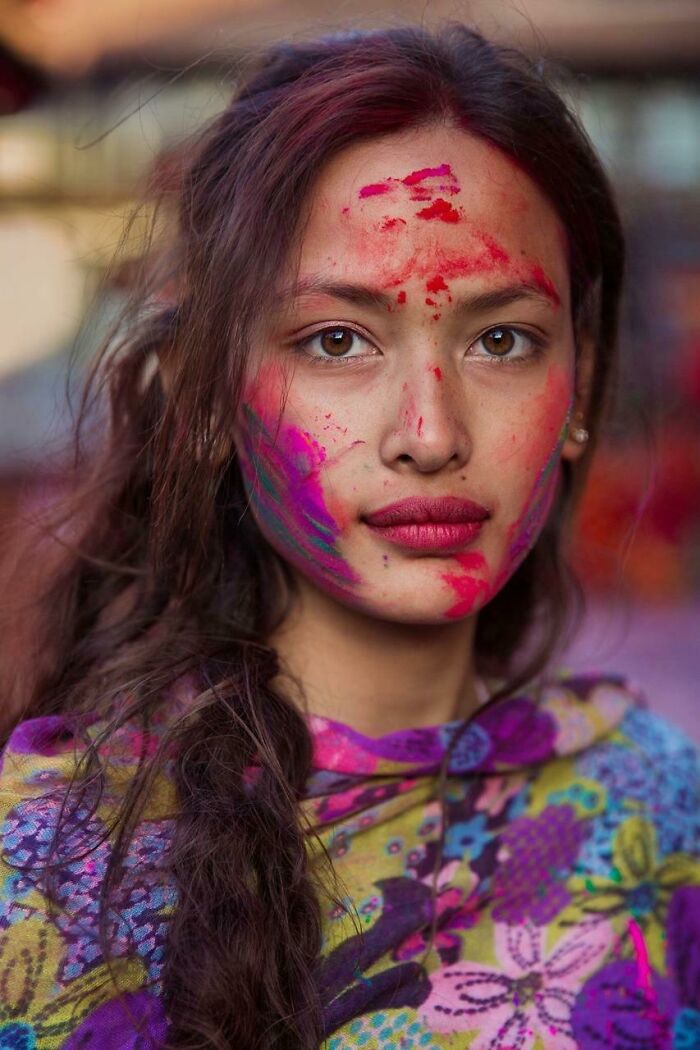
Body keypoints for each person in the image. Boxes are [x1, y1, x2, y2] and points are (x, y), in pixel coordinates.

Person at [0, 23, 698, 1050]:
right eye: (337, 340)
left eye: (501, 339)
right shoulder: (44, 862)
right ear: (207, 394)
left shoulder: (658, 818)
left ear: (580, 383)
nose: (430, 433)